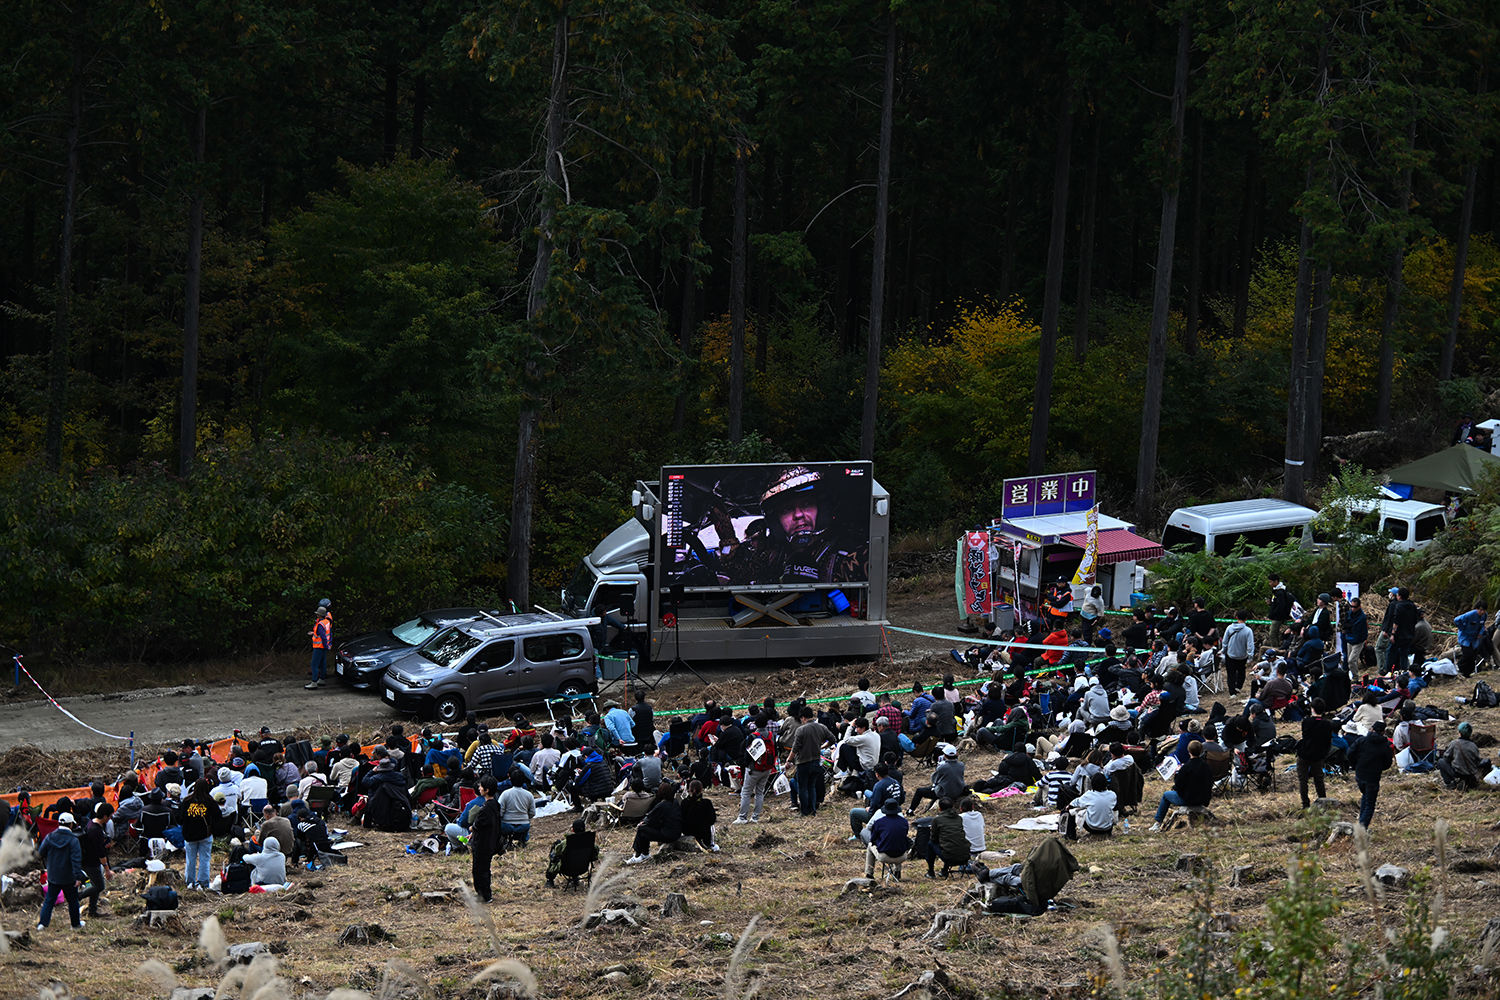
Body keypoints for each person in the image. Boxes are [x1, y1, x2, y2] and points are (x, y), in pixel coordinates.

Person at [37, 812, 87, 931]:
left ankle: (42, 924)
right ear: (71, 825)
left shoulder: (50, 837)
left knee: (49, 900)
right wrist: (77, 877)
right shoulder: (73, 840)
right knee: (73, 901)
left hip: (53, 875)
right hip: (68, 877)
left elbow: (41, 852)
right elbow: (76, 860)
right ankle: (75, 925)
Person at [1149, 741, 1213, 832]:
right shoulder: (1207, 766)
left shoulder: (1186, 767)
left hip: (1187, 799)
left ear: (1189, 751)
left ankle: (1158, 822)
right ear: (1201, 751)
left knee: (1166, 795)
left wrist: (1177, 773)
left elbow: (1178, 786)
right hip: (1203, 799)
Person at [1348, 721, 1396, 829]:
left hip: (1359, 775)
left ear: (1372, 729)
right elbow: (1388, 763)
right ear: (1384, 732)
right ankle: (1361, 829)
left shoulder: (1361, 740)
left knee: (1365, 796)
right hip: (1373, 778)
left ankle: (1360, 823)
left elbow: (1350, 753)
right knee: (1369, 805)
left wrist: (1355, 765)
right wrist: (1379, 768)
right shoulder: (1385, 746)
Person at [625, 780, 683, 865]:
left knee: (642, 829)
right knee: (645, 830)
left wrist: (643, 823)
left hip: (668, 834)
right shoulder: (675, 802)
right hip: (676, 832)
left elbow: (650, 818)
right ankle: (645, 854)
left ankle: (638, 855)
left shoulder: (662, 805)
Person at [790, 707, 832, 817]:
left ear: (803, 718)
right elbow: (832, 739)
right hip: (816, 761)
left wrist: (789, 760)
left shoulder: (801, 730)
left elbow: (795, 748)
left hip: (803, 762)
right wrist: (822, 746)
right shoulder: (821, 727)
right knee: (812, 786)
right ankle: (813, 810)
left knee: (803, 787)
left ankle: (804, 811)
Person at [735, 717, 778, 824]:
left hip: (754, 768)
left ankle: (742, 817)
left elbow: (748, 754)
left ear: (755, 724)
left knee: (746, 792)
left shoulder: (753, 736)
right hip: (767, 768)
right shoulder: (771, 736)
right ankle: (755, 817)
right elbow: (776, 752)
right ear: (766, 723)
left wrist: (745, 764)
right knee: (760, 792)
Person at [468, 776, 503, 903]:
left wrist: (472, 828)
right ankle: (485, 894)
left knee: (479, 870)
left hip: (483, 844)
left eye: (481, 786)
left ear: (487, 790)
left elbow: (478, 825)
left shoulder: (487, 808)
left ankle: (484, 896)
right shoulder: (495, 805)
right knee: (484, 869)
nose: (479, 788)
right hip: (489, 842)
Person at [1297, 699, 1334, 809]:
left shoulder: (1306, 721)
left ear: (1312, 709)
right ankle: (1323, 801)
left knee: (1303, 780)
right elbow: (1328, 741)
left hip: (1304, 753)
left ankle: (1305, 804)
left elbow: (1304, 735)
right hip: (1318, 755)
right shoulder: (1327, 724)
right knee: (1319, 779)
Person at [910, 745, 968, 814]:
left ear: (944, 755)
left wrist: (938, 767)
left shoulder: (942, 767)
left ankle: (910, 810)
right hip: (959, 791)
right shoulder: (961, 765)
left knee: (919, 791)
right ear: (956, 754)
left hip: (944, 793)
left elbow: (934, 779)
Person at [863, 799, 910, 880]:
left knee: (870, 846)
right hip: (901, 856)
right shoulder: (904, 822)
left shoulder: (878, 822)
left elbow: (873, 839)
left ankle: (869, 873)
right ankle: (897, 871)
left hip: (884, 856)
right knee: (898, 841)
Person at [80, 803, 112, 917]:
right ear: (105, 816)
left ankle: (92, 911)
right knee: (99, 886)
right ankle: (78, 896)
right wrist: (107, 869)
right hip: (91, 862)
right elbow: (100, 852)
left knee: (95, 885)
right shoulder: (97, 831)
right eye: (110, 816)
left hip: (86, 859)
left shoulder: (91, 822)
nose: (110, 819)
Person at [1065, 772, 1118, 840]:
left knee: (1072, 812)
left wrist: (1069, 806)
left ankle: (1071, 835)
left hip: (1091, 827)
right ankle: (1108, 833)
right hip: (1107, 827)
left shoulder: (1089, 795)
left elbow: (1077, 802)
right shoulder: (1112, 795)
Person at [1436, 722, 1488, 790]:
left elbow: (1446, 758)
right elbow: (1478, 761)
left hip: (1458, 772)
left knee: (1441, 761)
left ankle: (1450, 783)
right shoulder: (1473, 745)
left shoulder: (1454, 743)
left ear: (1460, 733)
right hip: (1470, 773)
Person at [926, 798, 970, 878]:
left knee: (930, 844)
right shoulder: (959, 818)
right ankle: (944, 870)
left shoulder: (937, 820)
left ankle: (931, 872)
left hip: (949, 857)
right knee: (951, 844)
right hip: (965, 855)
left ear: (939, 809)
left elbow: (933, 838)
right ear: (953, 807)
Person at [497, 768, 536, 845]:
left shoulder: (505, 794)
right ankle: (523, 840)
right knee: (524, 828)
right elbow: (532, 812)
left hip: (507, 825)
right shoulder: (529, 795)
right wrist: (525, 818)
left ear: (511, 780)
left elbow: (500, 811)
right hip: (524, 825)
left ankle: (504, 841)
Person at [1385, 587, 1419, 673]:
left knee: (1390, 652)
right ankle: (1404, 671)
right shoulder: (1412, 606)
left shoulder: (1399, 606)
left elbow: (1396, 621)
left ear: (1399, 596)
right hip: (1409, 634)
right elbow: (1416, 619)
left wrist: (1393, 634)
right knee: (1404, 654)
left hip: (1399, 635)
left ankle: (1388, 671)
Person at [1222, 610, 1256, 697]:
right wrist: (1250, 656)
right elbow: (1250, 645)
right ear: (1246, 619)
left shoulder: (1229, 628)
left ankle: (1232, 692)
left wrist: (1223, 650)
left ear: (1236, 617)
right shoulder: (1248, 631)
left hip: (1230, 654)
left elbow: (1225, 641)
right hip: (1242, 655)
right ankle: (1238, 686)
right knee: (1241, 671)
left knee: (1231, 673)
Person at [681, 780, 719, 851]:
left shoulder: (684, 803)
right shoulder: (707, 803)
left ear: (689, 790)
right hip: (703, 835)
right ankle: (711, 844)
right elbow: (712, 820)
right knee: (712, 827)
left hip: (687, 832)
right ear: (701, 790)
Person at [1456, 601, 1489, 678]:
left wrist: (1480, 632)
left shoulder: (1484, 616)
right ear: (1477, 609)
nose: (1482, 612)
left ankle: (1467, 673)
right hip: (1465, 637)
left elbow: (1482, 625)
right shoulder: (1470, 614)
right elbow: (1457, 620)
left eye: (1484, 610)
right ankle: (1459, 668)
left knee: (1473, 656)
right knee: (1467, 654)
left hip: (1474, 638)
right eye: (1480, 610)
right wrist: (1463, 629)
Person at [305, 606, 331, 690]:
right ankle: (322, 679)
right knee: (323, 663)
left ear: (319, 615)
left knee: (314, 664)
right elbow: (329, 633)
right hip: (324, 646)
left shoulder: (320, 624)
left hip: (319, 646)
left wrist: (325, 645)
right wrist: (328, 645)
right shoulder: (327, 622)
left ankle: (314, 682)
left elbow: (323, 636)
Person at [1342, 597, 1368, 671]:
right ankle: (1352, 674)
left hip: (1358, 640)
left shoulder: (1362, 617)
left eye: (1355, 607)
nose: (1353, 608)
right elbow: (1345, 625)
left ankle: (1355, 676)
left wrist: (1348, 627)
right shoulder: (1349, 614)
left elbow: (1355, 629)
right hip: (1350, 639)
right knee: (1349, 660)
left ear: (1359, 607)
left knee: (1352, 660)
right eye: (1352, 606)